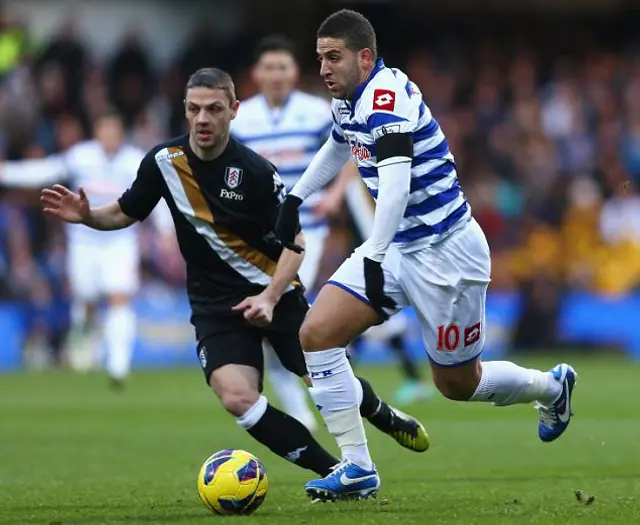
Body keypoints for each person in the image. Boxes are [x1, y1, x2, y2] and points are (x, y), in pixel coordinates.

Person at [37, 67, 429, 483]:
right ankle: (336, 471)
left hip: (274, 295)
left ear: (233, 110)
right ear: (185, 111)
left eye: (213, 109)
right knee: (237, 397)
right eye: (194, 109)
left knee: (326, 381)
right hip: (214, 306)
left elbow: (296, 244)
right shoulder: (164, 162)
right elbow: (123, 211)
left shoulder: (256, 171)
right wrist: (87, 217)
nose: (203, 118)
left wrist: (270, 297)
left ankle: (380, 411)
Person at [274, 9, 577, 501]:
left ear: (364, 56)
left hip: (446, 253)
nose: (324, 68)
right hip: (397, 245)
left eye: (334, 57)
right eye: (320, 58)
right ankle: (357, 467)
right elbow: (338, 146)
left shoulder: (385, 97)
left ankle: (551, 387)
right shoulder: (347, 101)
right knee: (316, 333)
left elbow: (394, 186)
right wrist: (295, 197)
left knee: (458, 384)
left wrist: (371, 254)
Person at [230, 34, 345, 431]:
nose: (277, 74)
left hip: (305, 231)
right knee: (273, 321)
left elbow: (350, 148)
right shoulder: (241, 120)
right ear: (256, 74)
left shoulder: (317, 112)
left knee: (285, 314)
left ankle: (323, 398)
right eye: (269, 67)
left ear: (295, 71)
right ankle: (305, 404)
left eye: (283, 67)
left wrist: (337, 193)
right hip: (260, 238)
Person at [1, 110, 151, 387]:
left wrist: (166, 230)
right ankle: (85, 347)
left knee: (119, 297)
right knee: (86, 299)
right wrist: (6, 171)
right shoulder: (81, 156)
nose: (109, 138)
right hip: (84, 242)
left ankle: (118, 365)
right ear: (97, 133)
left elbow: (158, 193)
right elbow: (45, 170)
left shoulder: (135, 162)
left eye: (114, 132)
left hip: (120, 241)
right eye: (104, 131)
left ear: (121, 135)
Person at [342, 169, 434, 405]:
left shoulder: (357, 185)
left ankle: (340, 381)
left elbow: (368, 225)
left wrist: (372, 258)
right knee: (371, 326)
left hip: (373, 260)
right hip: (370, 257)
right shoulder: (355, 185)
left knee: (364, 324)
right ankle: (414, 380)